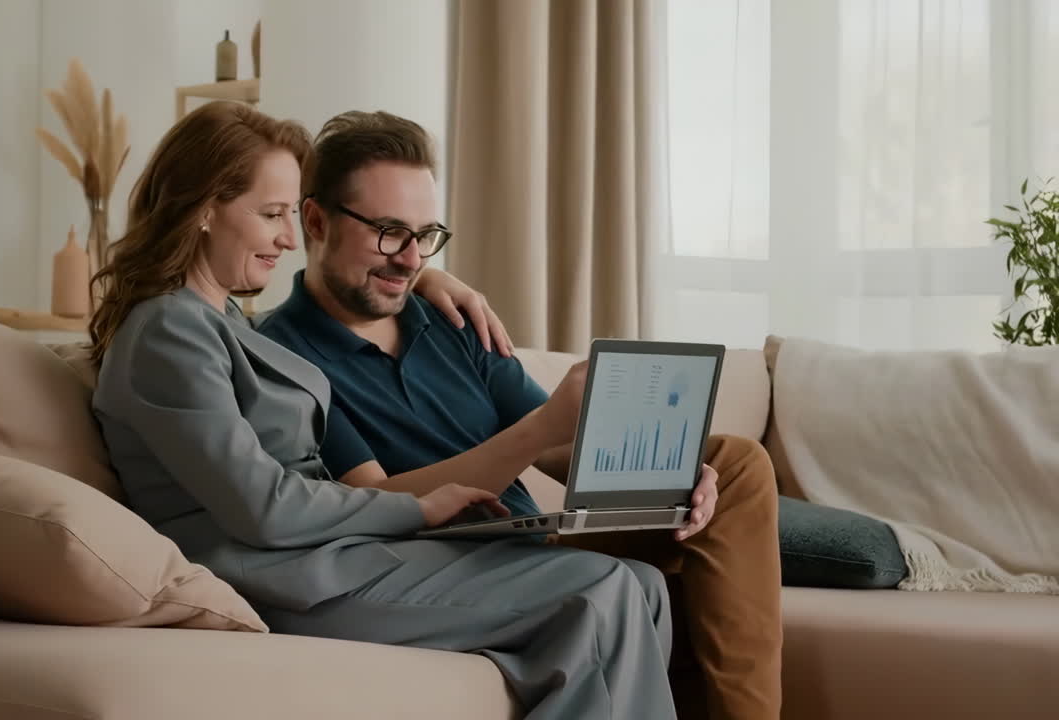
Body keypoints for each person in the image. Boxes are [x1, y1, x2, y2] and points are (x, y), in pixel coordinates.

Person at [89, 100, 680, 719]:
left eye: (289, 214)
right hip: (282, 576)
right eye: (270, 215)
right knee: (603, 589)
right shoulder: (167, 330)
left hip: (327, 558)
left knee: (643, 585)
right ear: (204, 210)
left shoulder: (221, 319)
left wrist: (424, 277)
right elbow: (262, 507)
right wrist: (417, 506)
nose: (288, 238)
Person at [257, 111, 782, 720]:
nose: (409, 259)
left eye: (426, 236)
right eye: (389, 231)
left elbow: (563, 454)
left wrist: (671, 472)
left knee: (735, 465)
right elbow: (375, 502)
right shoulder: (284, 353)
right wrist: (540, 428)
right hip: (440, 555)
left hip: (524, 532)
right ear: (315, 220)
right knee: (632, 585)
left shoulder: (452, 320)